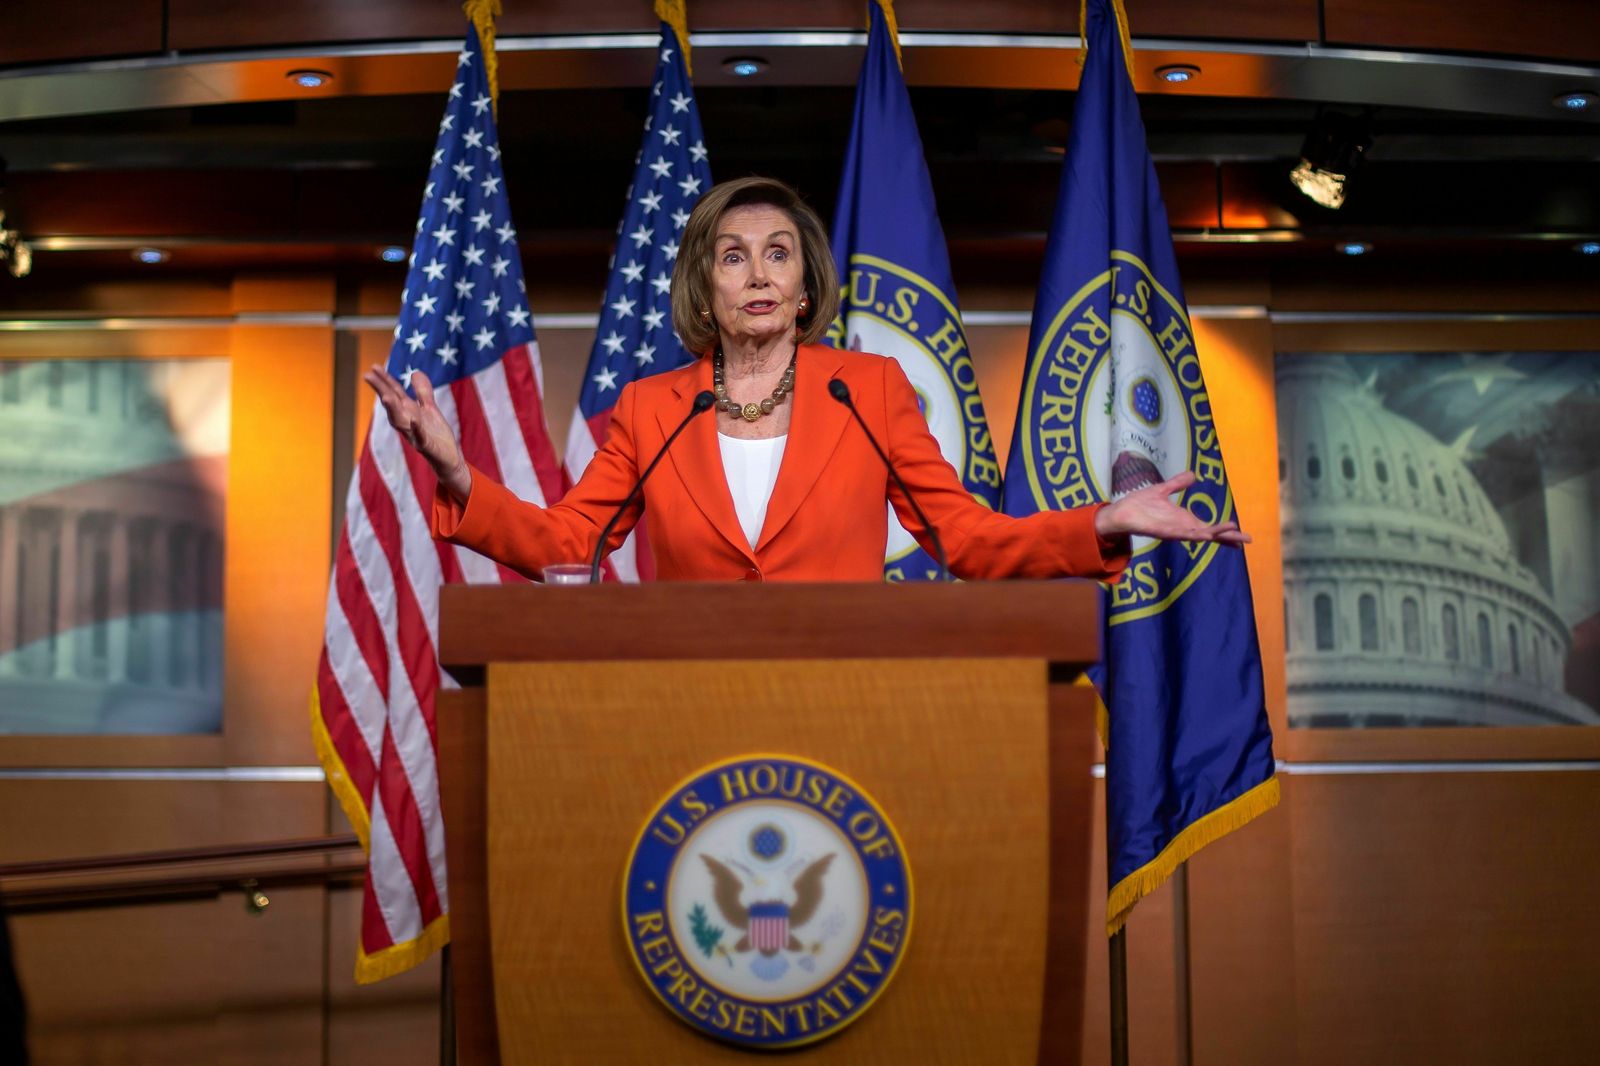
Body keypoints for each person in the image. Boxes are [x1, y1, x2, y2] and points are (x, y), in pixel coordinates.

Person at [364, 176, 1246, 582]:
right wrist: (453, 470)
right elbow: (566, 544)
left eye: (776, 255)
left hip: (840, 702)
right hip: (679, 707)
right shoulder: (652, 409)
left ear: (804, 284)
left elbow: (970, 540)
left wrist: (1104, 520)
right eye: (733, 257)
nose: (756, 274)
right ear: (704, 286)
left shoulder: (869, 390)